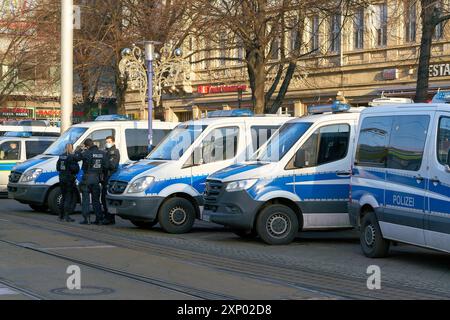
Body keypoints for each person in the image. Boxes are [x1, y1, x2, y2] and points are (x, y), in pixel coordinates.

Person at [75, 139, 107, 225]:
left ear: (87, 146)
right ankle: (99, 219)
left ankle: (87, 219)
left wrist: (78, 150)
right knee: (96, 200)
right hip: (97, 179)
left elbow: (76, 158)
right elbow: (106, 166)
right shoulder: (102, 153)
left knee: (85, 200)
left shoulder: (86, 153)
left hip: (87, 179)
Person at [56, 144, 79, 222]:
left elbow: (58, 167)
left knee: (63, 196)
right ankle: (66, 216)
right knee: (68, 197)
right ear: (71, 148)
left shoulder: (61, 156)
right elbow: (75, 169)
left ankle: (60, 215)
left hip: (62, 178)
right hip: (69, 178)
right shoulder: (71, 157)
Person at [101, 136, 120, 225]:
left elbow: (112, 165)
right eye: (106, 141)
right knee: (103, 198)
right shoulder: (106, 151)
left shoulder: (114, 152)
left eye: (109, 141)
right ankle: (107, 216)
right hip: (105, 177)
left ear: (113, 142)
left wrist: (104, 162)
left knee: (108, 198)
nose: (107, 143)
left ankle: (110, 218)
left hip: (110, 177)